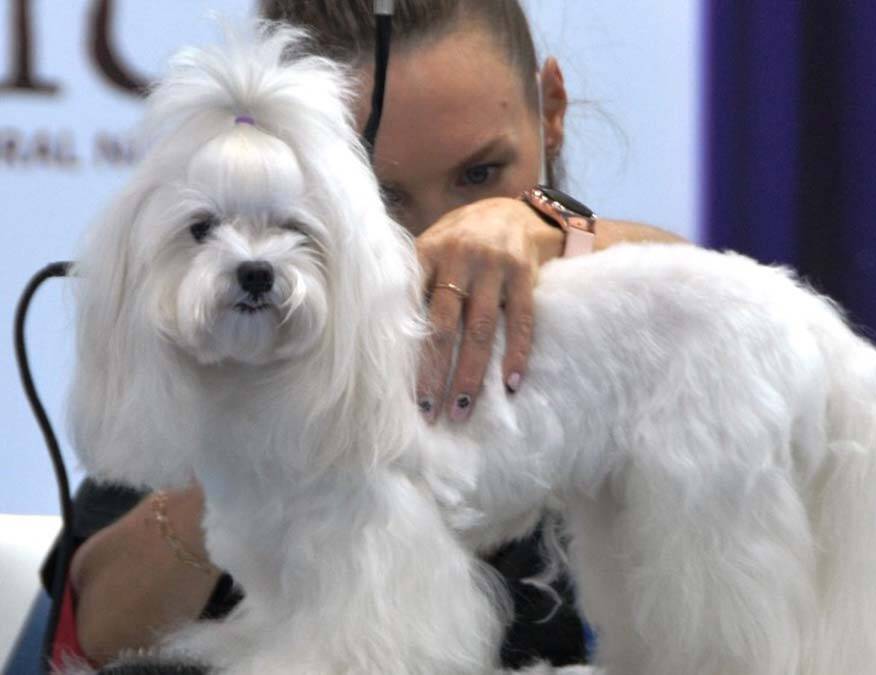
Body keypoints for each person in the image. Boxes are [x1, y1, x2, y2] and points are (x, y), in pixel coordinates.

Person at [48, 0, 686, 669]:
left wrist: (560, 230)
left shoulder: (630, 317)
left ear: (551, 111)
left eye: (481, 175)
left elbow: (714, 307)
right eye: (381, 196)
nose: (443, 231)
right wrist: (250, 442)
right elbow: (87, 637)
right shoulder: (224, 344)